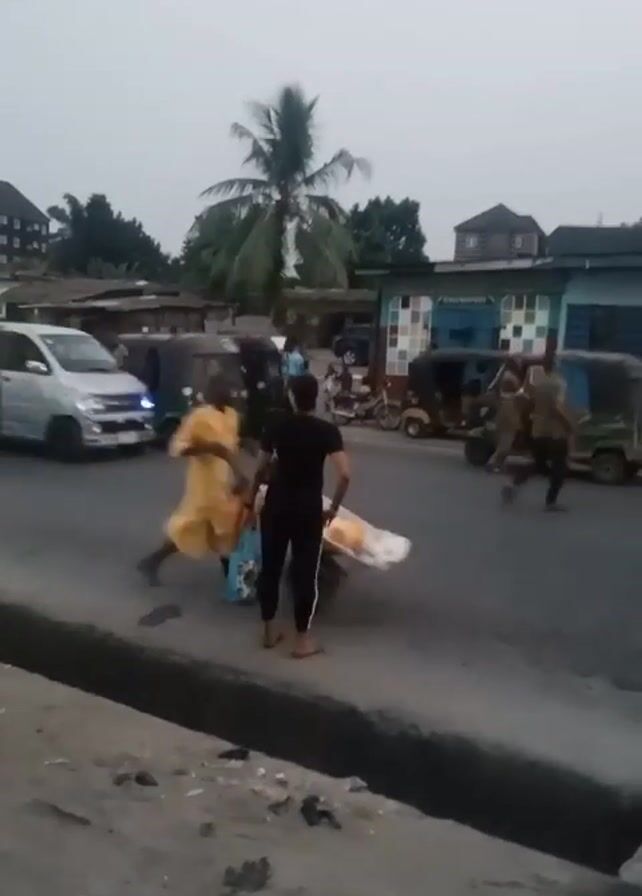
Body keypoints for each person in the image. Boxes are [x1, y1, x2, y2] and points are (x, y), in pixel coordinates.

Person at [248, 373, 350, 659]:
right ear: (315, 398)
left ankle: (269, 633)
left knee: (271, 568)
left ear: (292, 397)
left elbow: (260, 470)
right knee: (306, 574)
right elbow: (344, 475)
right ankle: (302, 641)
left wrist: (250, 500)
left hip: (276, 506)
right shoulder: (327, 431)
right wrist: (333, 509)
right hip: (308, 511)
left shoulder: (275, 426)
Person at [137, 376, 247, 585]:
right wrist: (205, 448)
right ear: (213, 392)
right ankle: (152, 561)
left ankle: (233, 577)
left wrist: (240, 470)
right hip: (204, 484)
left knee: (227, 528)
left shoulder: (232, 416)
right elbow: (177, 447)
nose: (230, 394)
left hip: (224, 481)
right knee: (191, 527)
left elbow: (231, 447)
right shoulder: (199, 416)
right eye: (224, 389)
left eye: (231, 390)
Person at [502, 351, 574, 510]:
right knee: (559, 468)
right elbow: (557, 408)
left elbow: (526, 403)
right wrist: (568, 425)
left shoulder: (538, 383)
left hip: (538, 431)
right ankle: (551, 502)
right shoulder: (559, 383)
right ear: (556, 365)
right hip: (556, 433)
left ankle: (512, 484)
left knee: (539, 464)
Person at [486, 357, 523, 472]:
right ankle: (493, 462)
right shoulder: (508, 377)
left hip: (506, 408)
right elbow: (512, 391)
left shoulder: (506, 375)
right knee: (506, 439)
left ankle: (498, 464)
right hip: (509, 408)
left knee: (506, 439)